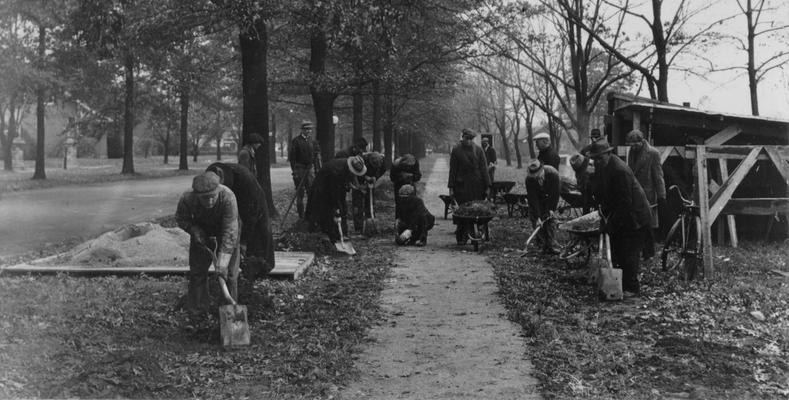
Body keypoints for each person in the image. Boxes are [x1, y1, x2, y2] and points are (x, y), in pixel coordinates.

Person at [587, 142, 652, 297]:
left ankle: (632, 288)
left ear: (608, 154)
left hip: (636, 214)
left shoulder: (619, 170)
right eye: (595, 159)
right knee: (617, 248)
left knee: (628, 252)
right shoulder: (604, 168)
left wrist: (611, 223)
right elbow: (606, 195)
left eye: (600, 158)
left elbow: (624, 202)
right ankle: (618, 283)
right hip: (624, 213)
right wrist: (604, 216)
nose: (597, 161)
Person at [175, 171, 240, 316]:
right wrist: (194, 230)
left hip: (227, 231)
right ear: (196, 195)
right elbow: (181, 218)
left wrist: (222, 262)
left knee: (229, 274)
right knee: (197, 272)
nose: (209, 201)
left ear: (218, 191)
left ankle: (229, 312)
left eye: (212, 197)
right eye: (205, 199)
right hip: (202, 233)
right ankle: (197, 312)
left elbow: (230, 231)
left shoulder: (228, 197)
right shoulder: (187, 198)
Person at [206, 162, 274, 281]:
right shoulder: (210, 174)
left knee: (259, 236)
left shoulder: (244, 180)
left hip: (253, 205)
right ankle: (236, 269)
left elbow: (251, 215)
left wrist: (244, 241)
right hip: (230, 206)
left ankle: (260, 270)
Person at [305, 155, 367, 242]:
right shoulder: (337, 171)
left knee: (341, 208)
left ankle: (341, 234)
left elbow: (346, 181)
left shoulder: (347, 166)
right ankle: (322, 235)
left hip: (334, 186)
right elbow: (334, 193)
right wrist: (337, 207)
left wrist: (350, 185)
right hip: (322, 187)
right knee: (325, 210)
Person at [626, 129, 667, 254]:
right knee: (636, 222)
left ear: (642, 141)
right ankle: (639, 249)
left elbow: (658, 176)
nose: (632, 147)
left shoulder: (653, 153)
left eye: (635, 144)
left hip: (647, 193)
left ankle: (649, 252)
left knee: (648, 224)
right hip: (635, 192)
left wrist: (662, 196)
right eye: (631, 145)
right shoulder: (631, 152)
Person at [524, 160, 561, 255]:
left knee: (550, 221)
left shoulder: (553, 174)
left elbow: (555, 194)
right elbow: (533, 198)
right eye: (534, 176)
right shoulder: (529, 179)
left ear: (541, 170)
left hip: (550, 198)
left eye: (537, 175)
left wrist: (551, 209)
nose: (536, 177)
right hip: (538, 200)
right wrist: (537, 217)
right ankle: (541, 245)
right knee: (537, 223)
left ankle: (551, 244)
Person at [448, 128, 491, 205]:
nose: (468, 141)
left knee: (476, 208)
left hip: (477, 186)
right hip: (462, 186)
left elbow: (484, 169)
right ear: (463, 137)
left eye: (471, 139)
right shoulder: (456, 150)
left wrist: (488, 186)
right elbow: (453, 170)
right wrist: (451, 187)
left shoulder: (479, 150)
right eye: (467, 138)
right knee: (464, 208)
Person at [350, 151, 387, 234]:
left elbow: (383, 170)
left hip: (370, 184)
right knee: (357, 205)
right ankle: (359, 228)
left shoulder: (382, 161)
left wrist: (375, 177)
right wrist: (364, 178)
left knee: (370, 204)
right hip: (359, 182)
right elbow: (354, 172)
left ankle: (370, 225)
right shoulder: (362, 160)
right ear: (370, 161)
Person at [288, 121, 318, 219]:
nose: (309, 131)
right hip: (299, 168)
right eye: (306, 129)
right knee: (300, 193)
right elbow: (292, 158)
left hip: (309, 169)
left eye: (310, 129)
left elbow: (316, 157)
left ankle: (309, 215)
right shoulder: (296, 141)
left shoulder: (312, 141)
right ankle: (301, 216)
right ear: (302, 130)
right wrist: (294, 171)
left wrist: (315, 168)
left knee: (311, 192)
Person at [390, 153, 422, 218]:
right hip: (399, 186)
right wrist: (401, 177)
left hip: (411, 186)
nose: (409, 167)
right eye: (407, 165)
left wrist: (412, 176)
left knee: (412, 204)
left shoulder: (415, 162)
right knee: (399, 205)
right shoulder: (396, 164)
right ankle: (399, 222)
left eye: (410, 166)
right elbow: (392, 177)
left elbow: (418, 176)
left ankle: (411, 223)